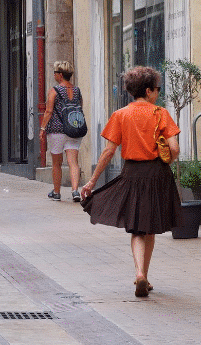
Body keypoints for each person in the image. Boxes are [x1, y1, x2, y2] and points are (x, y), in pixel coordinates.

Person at [79, 66, 180, 298]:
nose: (158, 93)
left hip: (132, 174)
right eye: (157, 89)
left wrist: (92, 182)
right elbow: (174, 149)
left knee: (136, 228)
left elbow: (108, 152)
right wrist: (168, 159)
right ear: (148, 90)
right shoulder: (160, 113)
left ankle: (139, 274)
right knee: (151, 227)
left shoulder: (120, 115)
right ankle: (145, 274)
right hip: (158, 174)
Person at [39, 61, 84, 202]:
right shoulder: (77, 90)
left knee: (56, 164)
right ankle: (75, 190)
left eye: (54, 72)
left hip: (57, 130)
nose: (53, 75)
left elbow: (49, 111)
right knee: (73, 162)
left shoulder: (55, 90)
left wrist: (42, 128)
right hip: (74, 129)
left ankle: (57, 192)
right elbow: (79, 107)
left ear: (60, 75)